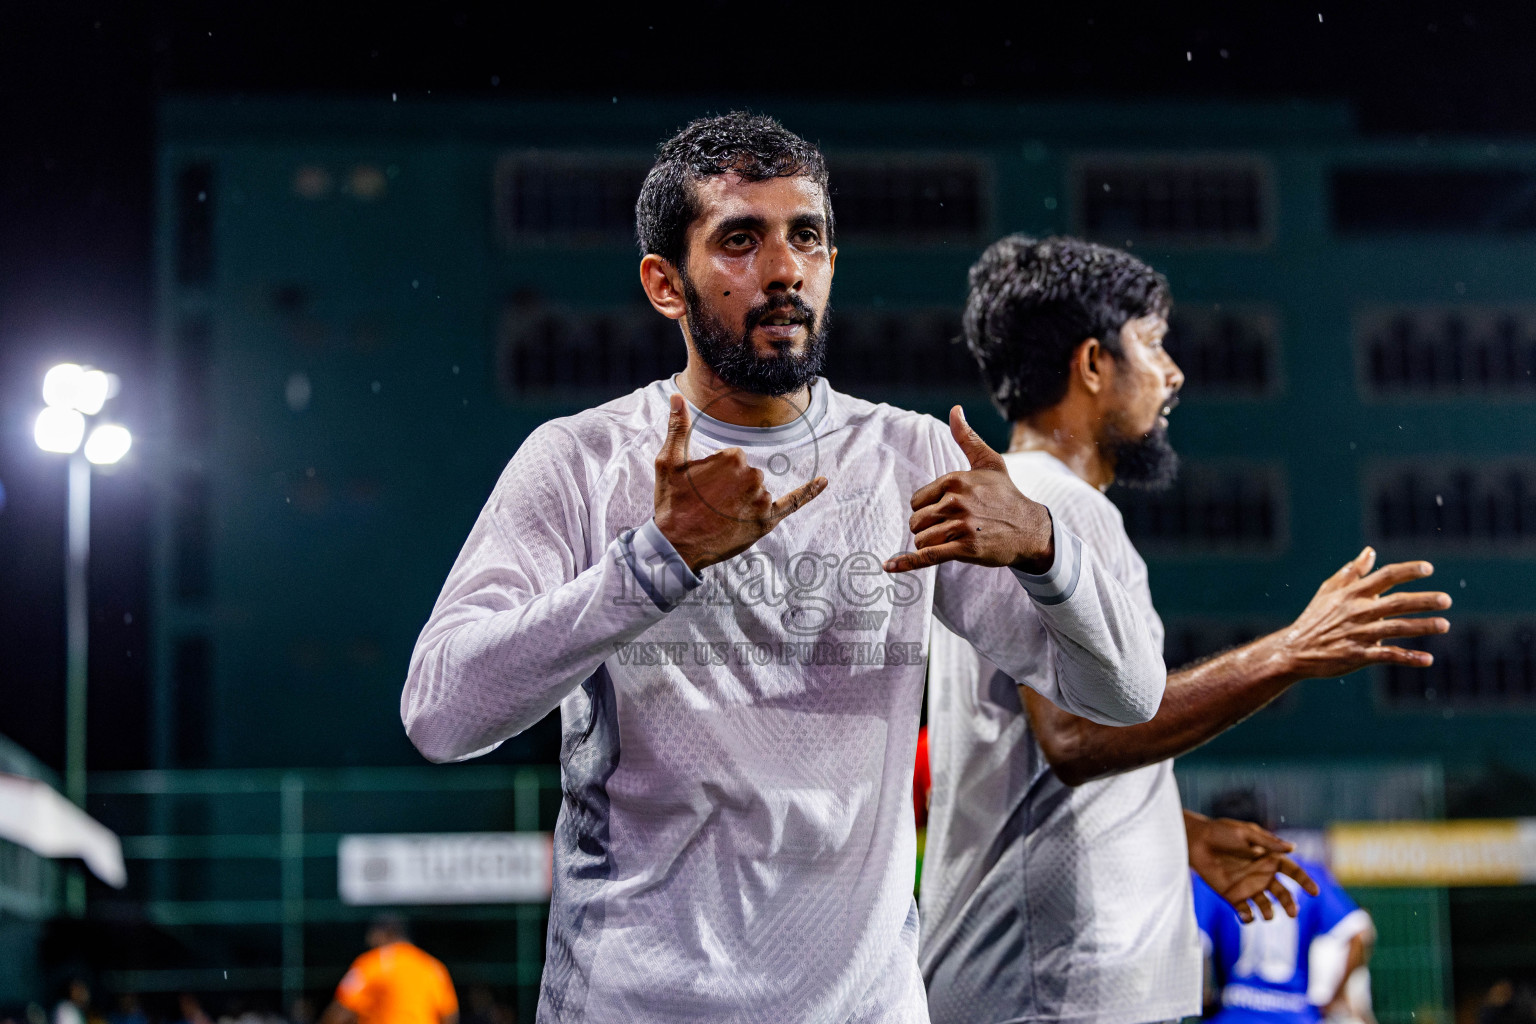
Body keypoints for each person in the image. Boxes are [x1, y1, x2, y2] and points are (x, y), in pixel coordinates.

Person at [402, 114, 1167, 1022]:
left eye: (805, 236)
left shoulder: (912, 459)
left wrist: (1047, 547)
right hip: (635, 1005)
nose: (783, 269)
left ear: (833, 261)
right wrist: (652, 563)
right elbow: (441, 714)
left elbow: (1125, 697)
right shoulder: (582, 461)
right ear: (664, 284)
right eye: (739, 239)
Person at [919, 235, 1450, 1024]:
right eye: (1156, 345)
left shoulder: (1036, 503)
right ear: (1094, 364)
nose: (1175, 375)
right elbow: (1076, 737)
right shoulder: (1049, 511)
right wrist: (1291, 652)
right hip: (1054, 992)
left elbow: (1046, 750)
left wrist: (1180, 833)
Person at [1193, 790, 1375, 1024]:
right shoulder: (1306, 872)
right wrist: (1335, 999)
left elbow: (1197, 945)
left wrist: (1203, 998)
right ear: (1267, 828)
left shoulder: (1214, 878)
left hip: (1235, 1013)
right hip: (1296, 1015)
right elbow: (1358, 932)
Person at [319, 916, 457, 1024]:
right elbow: (449, 1015)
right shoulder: (433, 966)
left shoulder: (373, 962)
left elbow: (341, 1009)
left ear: (383, 934)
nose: (370, 942)